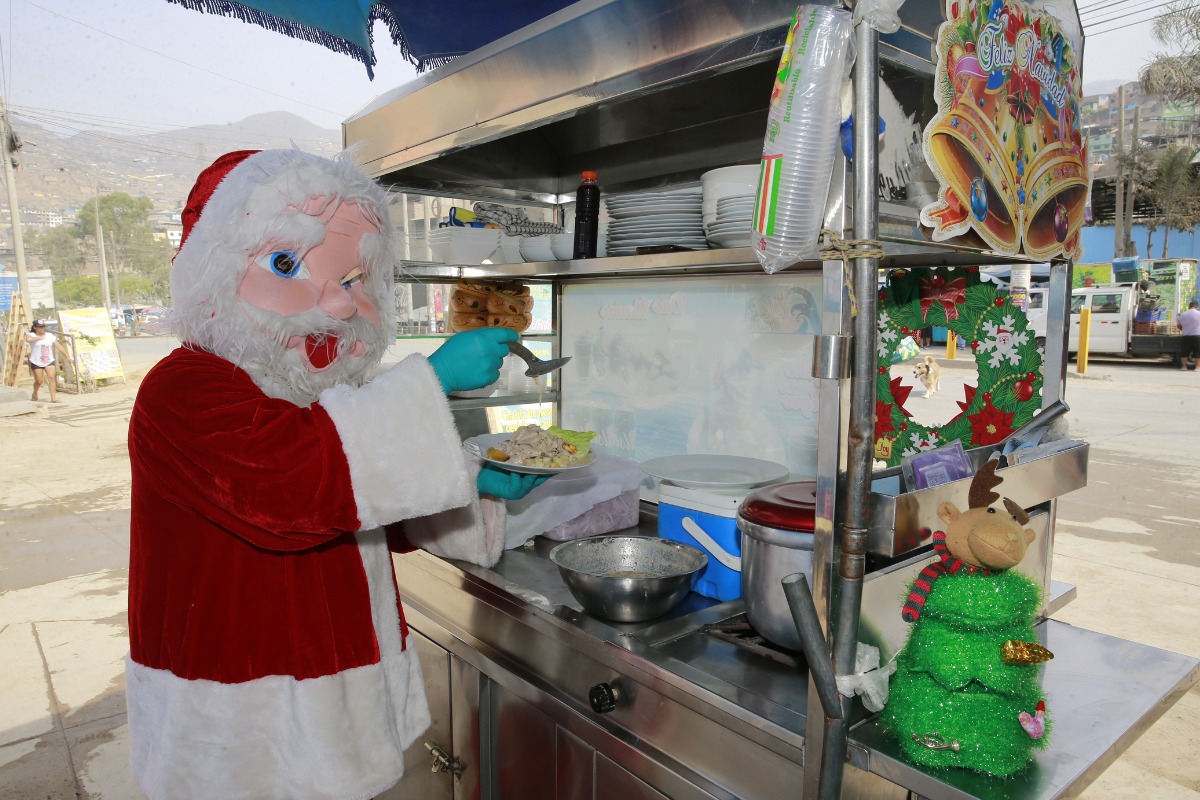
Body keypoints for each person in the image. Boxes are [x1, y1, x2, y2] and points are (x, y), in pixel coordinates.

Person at [125, 149, 546, 800]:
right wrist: (430, 380)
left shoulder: (306, 392)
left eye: (352, 279)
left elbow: (350, 496)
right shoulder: (183, 388)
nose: (337, 303)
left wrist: (469, 481)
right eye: (286, 265)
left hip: (333, 700)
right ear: (211, 273)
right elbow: (292, 486)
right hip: (238, 727)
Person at [25, 320, 70, 403]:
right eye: (40, 327)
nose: (42, 329)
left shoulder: (49, 335)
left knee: (51, 378)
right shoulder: (31, 335)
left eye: (43, 327)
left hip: (49, 360)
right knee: (39, 381)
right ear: (35, 328)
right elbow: (28, 339)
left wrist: (67, 356)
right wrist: (38, 337)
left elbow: (58, 346)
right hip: (36, 361)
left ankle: (53, 398)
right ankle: (35, 393)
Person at [1178, 300, 1200, 372]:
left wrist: (1184, 329)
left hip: (1186, 336)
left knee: (1184, 352)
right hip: (1197, 336)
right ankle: (1197, 367)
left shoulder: (1182, 314)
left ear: (1189, 307)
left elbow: (1178, 326)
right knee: (1198, 352)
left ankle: (1184, 367)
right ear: (1197, 307)